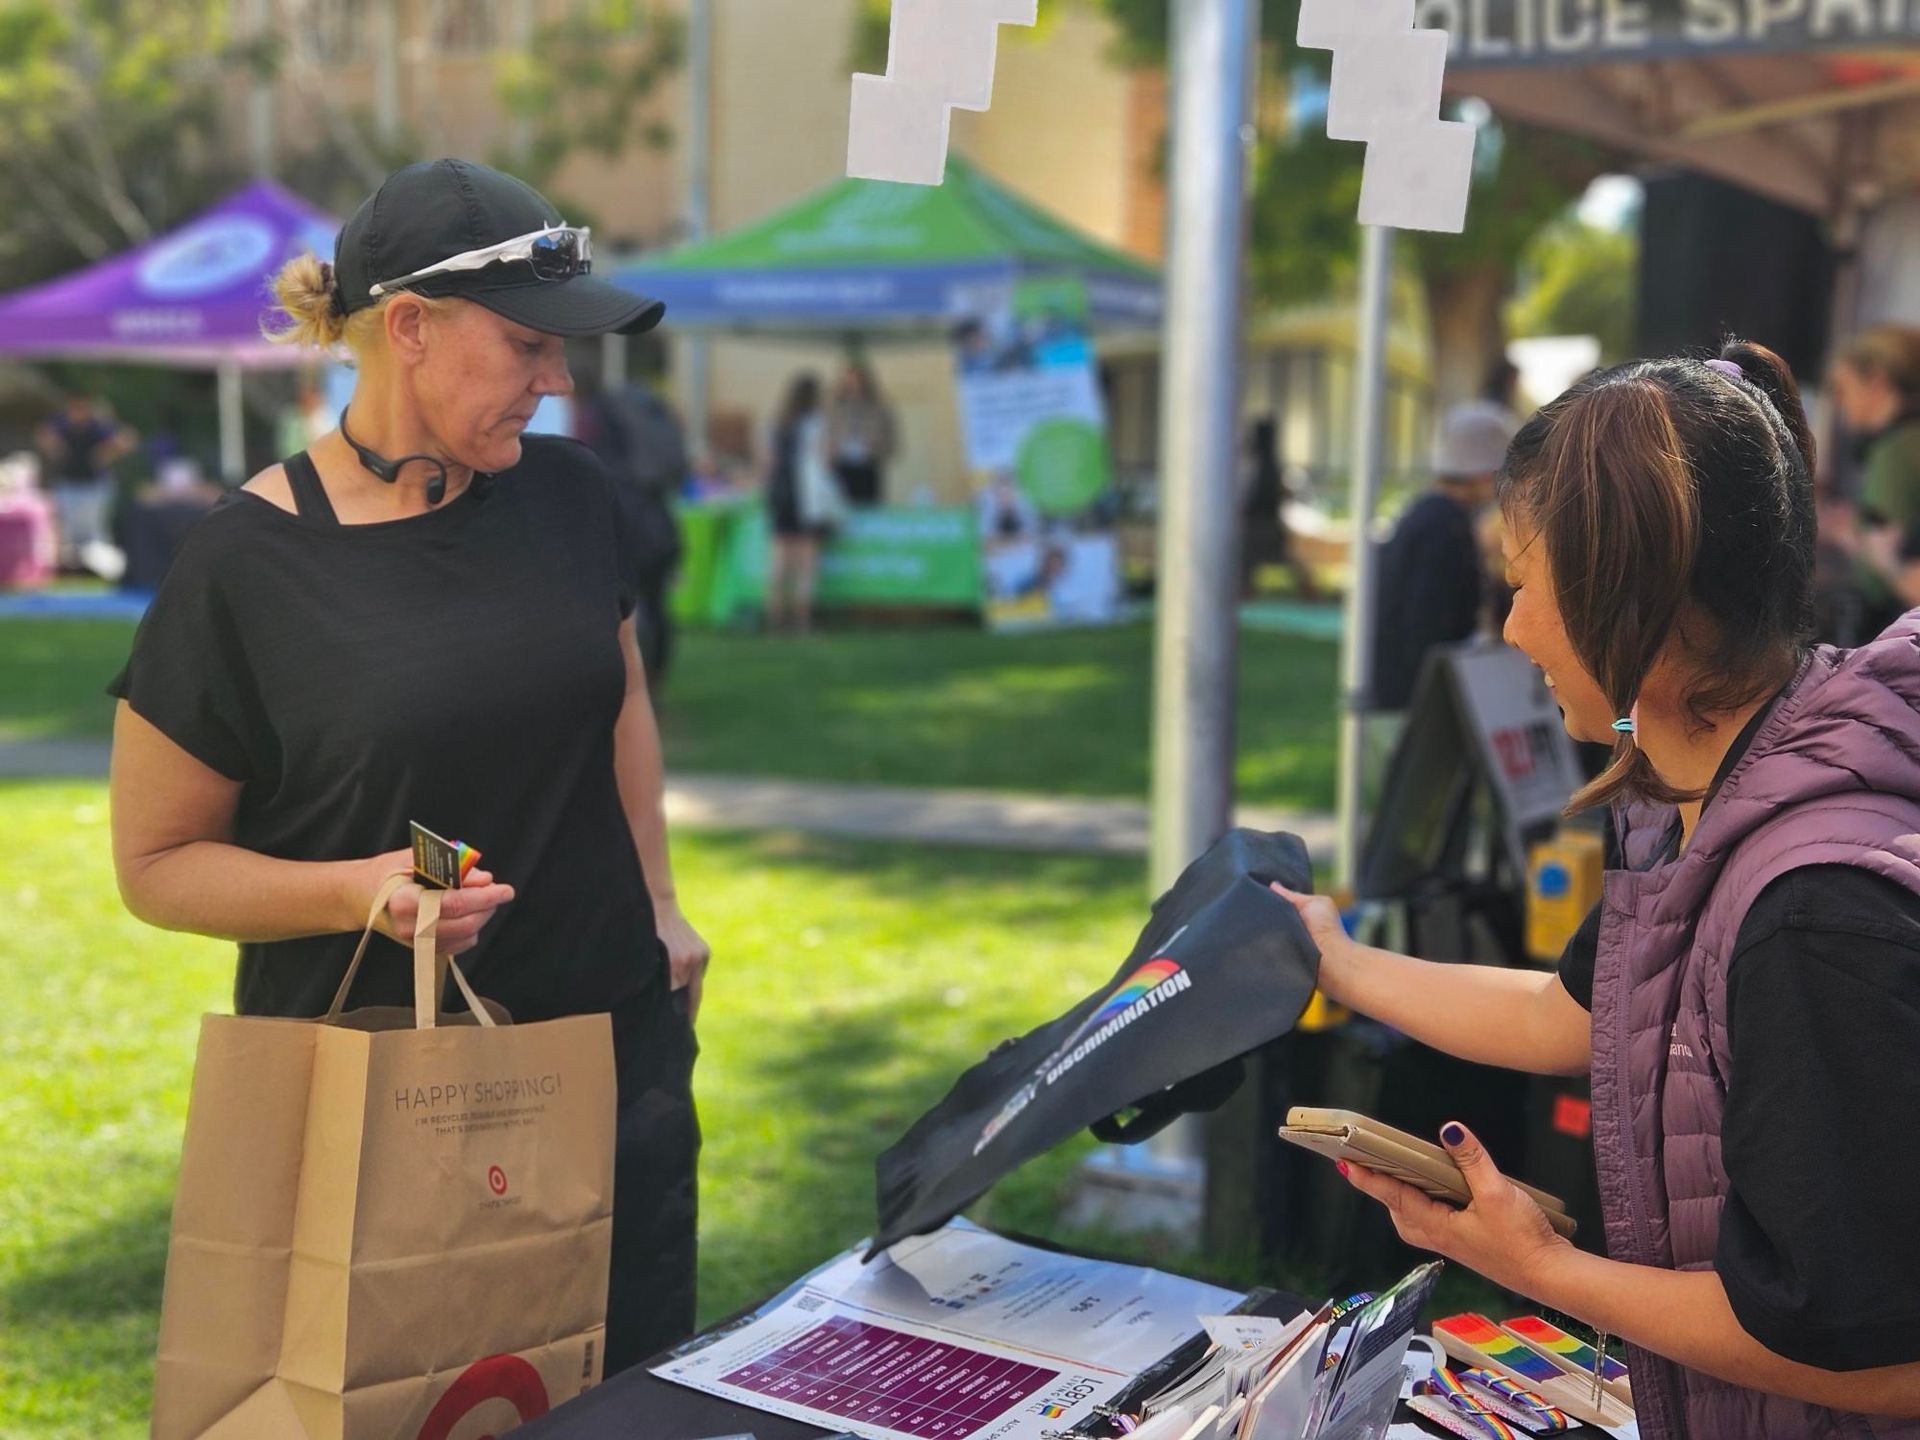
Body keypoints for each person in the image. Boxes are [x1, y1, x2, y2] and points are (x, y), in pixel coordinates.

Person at [105, 158, 709, 1374]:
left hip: (608, 1052)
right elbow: (157, 865)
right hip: (384, 1096)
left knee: (624, 1391)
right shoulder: (247, 564)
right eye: (529, 346)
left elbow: (620, 690)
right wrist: (357, 894)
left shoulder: (571, 496)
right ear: (411, 329)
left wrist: (659, 902)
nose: (558, 380)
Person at [1277, 342, 1920, 1434]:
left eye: (1529, 586)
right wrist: (1336, 958)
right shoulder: (1705, 797)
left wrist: (1543, 1267)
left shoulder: (1809, 918)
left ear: (1641, 604)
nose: (1514, 628)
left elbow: (1881, 1359)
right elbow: (1565, 1015)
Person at [1369, 401, 1517, 711]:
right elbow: (1430, 626)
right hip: (1411, 702)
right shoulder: (1443, 528)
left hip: (1403, 693)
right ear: (1482, 473)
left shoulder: (1431, 515)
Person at [573, 367, 689, 681]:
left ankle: (636, 685)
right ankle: (655, 682)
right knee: (656, 604)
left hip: (624, 524)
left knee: (628, 613)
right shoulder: (644, 411)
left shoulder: (599, 417)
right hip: (659, 523)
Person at [1830, 326, 1920, 625]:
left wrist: (1850, 534)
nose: (1839, 405)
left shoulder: (1894, 453)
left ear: (1878, 382)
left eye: (1843, 390)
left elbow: (1889, 555)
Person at [765, 373, 843, 634]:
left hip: (780, 494)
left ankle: (775, 616)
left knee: (780, 560)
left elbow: (769, 462)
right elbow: (827, 459)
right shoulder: (816, 423)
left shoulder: (778, 424)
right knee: (806, 562)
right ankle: (801, 618)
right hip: (807, 497)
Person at [35, 392, 136, 571]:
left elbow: (127, 439)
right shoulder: (61, 423)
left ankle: (100, 569)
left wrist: (107, 453)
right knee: (67, 531)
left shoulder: (99, 425)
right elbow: (43, 435)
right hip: (68, 482)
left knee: (94, 530)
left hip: (95, 484)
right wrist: (54, 447)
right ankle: (70, 569)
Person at [1240, 416, 1315, 600]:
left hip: (1261, 521)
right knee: (1259, 559)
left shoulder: (1263, 465)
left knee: (1255, 558)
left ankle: (1308, 588)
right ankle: (1247, 589)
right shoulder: (1267, 463)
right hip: (1265, 520)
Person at [823, 361, 898, 508]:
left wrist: (875, 448)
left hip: (868, 469)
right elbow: (824, 438)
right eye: (848, 382)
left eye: (857, 381)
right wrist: (832, 450)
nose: (853, 386)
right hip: (841, 469)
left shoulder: (879, 408)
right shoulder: (834, 409)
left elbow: (892, 442)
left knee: (869, 511)